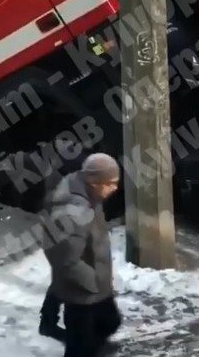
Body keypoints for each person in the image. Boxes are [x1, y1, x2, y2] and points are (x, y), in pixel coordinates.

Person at [41, 153, 122, 357]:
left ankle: (91, 343)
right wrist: (93, 283)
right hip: (82, 292)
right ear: (94, 182)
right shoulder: (73, 213)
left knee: (110, 322)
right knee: (80, 347)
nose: (115, 188)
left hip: (93, 276)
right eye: (110, 183)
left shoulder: (87, 190)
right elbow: (66, 261)